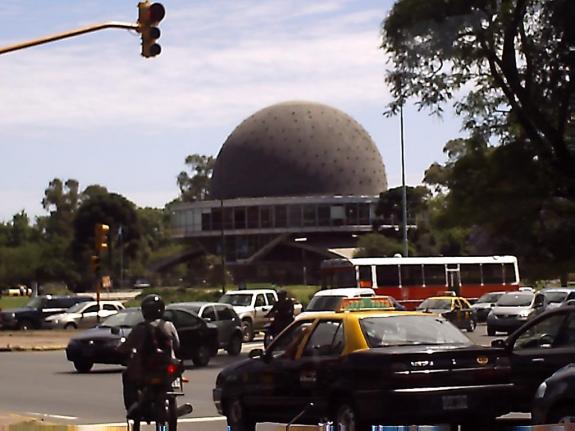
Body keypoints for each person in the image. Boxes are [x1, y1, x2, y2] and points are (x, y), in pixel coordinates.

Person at [118, 294, 180, 416]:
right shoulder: (168, 325)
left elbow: (125, 347)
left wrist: (120, 350)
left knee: (127, 375)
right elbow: (177, 344)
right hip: (168, 368)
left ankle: (132, 407)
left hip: (147, 369)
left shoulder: (140, 329)